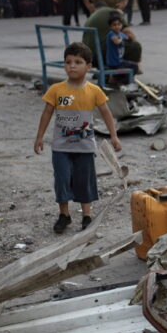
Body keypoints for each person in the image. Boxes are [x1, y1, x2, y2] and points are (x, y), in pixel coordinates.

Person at [33, 42, 122, 234]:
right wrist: (39, 137)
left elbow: (106, 113)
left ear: (89, 67)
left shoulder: (94, 91)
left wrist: (114, 136)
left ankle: (86, 215)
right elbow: (47, 114)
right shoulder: (56, 90)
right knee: (62, 180)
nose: (72, 66)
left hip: (85, 147)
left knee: (85, 180)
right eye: (68, 62)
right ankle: (64, 215)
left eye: (78, 62)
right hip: (61, 147)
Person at [103, 13, 142, 85]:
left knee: (135, 67)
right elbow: (117, 41)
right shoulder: (111, 34)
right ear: (110, 27)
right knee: (130, 69)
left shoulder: (120, 34)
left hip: (119, 61)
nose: (117, 27)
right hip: (113, 63)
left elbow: (129, 38)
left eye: (119, 24)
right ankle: (116, 80)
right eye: (114, 25)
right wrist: (123, 38)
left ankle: (117, 79)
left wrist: (129, 38)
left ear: (121, 25)